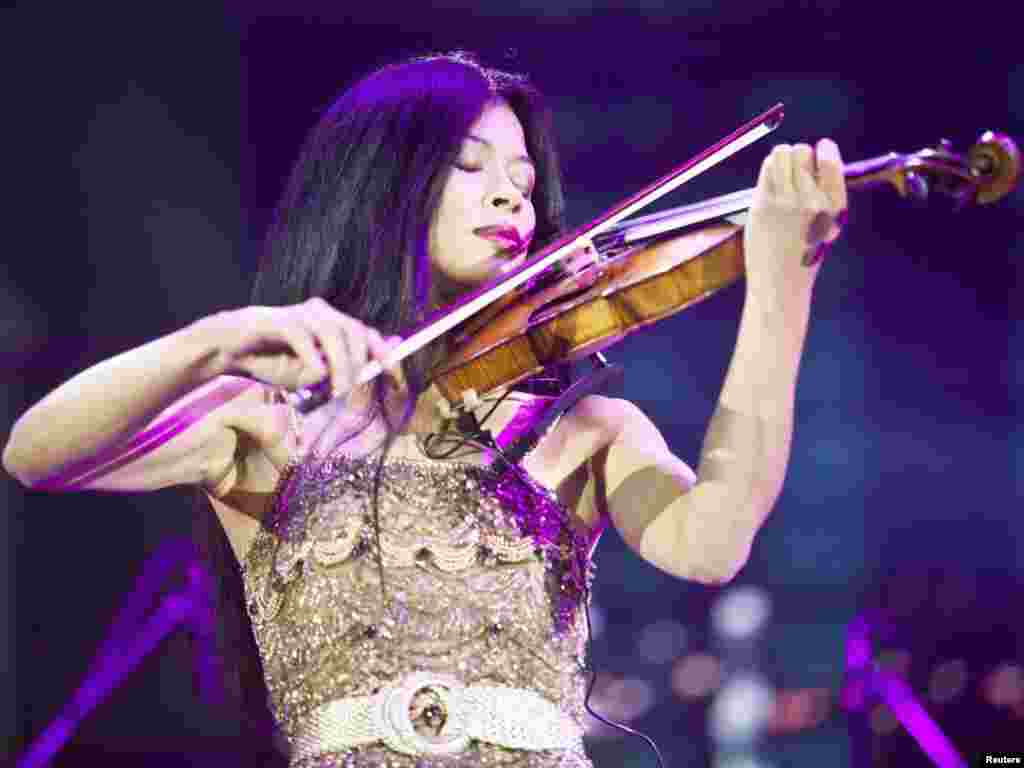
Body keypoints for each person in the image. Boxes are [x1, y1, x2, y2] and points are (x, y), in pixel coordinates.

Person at [3, 51, 846, 767]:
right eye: (471, 168)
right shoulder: (273, 416)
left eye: (524, 181)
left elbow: (713, 543)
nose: (514, 199)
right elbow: (35, 454)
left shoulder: (588, 428)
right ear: (381, 188)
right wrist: (213, 342)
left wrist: (783, 284)